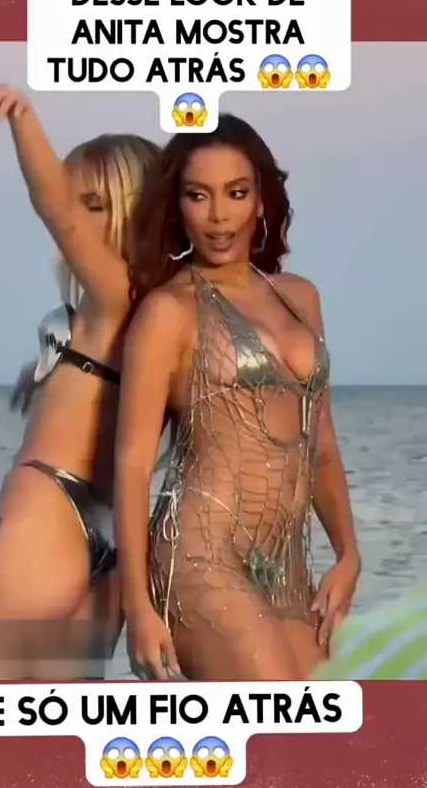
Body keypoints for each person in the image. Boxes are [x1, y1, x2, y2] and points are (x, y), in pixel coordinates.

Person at [114, 114, 361, 681]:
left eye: (237, 193)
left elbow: (321, 444)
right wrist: (137, 608)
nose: (219, 216)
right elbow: (132, 466)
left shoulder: (300, 298)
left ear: (261, 200)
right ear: (177, 207)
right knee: (283, 720)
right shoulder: (167, 312)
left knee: (328, 725)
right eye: (198, 195)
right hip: (199, 558)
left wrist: (348, 553)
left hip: (287, 567)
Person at [0, 84, 160, 679]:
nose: (75, 219)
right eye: (78, 202)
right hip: (103, 538)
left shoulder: (116, 295)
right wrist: (50, 373)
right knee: (46, 725)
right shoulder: (148, 312)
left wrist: (23, 120)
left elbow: (54, 209)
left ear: (135, 210)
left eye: (93, 204)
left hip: (43, 518)